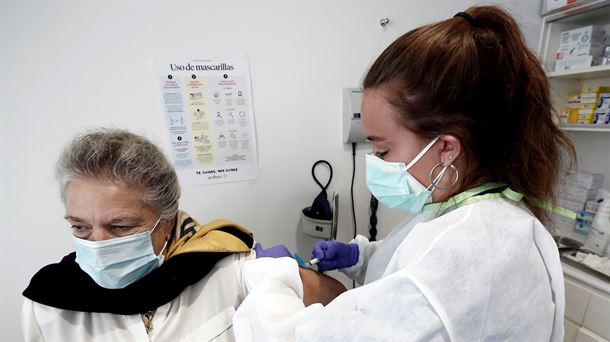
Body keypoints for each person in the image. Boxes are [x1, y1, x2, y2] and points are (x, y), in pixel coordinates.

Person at [233, 6, 576, 341]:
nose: (377, 162)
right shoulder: (475, 212)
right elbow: (411, 266)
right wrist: (360, 257)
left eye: (383, 150)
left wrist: (271, 280)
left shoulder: (470, 250)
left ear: (446, 148)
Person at [21, 128, 345, 341]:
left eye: (120, 226)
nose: (99, 244)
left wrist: (298, 274)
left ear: (166, 220)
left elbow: (338, 300)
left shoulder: (225, 268)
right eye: (80, 227)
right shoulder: (48, 305)